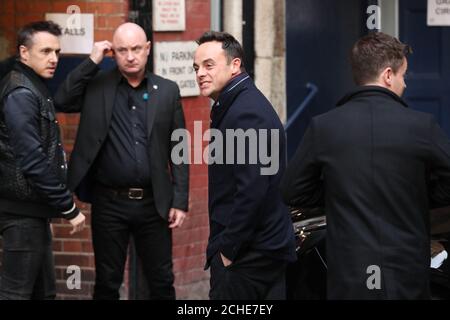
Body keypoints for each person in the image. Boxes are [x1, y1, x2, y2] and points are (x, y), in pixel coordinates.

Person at [280, 32, 450, 299]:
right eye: (403, 75)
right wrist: (418, 195)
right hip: (406, 272)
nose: (404, 84)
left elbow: (291, 191)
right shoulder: (422, 126)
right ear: (387, 75)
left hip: (349, 273)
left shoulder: (324, 127)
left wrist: (341, 192)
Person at [54, 22, 188, 300]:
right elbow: (63, 99)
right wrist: (92, 61)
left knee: (162, 281)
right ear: (113, 52)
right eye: (122, 50)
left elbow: (180, 148)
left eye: (136, 48)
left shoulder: (168, 90)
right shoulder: (97, 87)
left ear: (148, 49)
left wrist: (179, 199)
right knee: (107, 282)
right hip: (109, 204)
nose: (130, 56)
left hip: (154, 203)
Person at [193, 31, 296, 300]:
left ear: (235, 65)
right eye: (196, 67)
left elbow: (252, 191)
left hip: (249, 257)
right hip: (255, 251)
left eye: (209, 65)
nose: (200, 73)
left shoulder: (246, 111)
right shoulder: (237, 104)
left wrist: (228, 250)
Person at [0, 21, 86, 300]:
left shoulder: (33, 86)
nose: (53, 59)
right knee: (17, 293)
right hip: (21, 214)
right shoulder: (21, 93)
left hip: (33, 212)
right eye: (45, 51)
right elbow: (32, 160)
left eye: (57, 52)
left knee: (44, 292)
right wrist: (68, 207)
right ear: (24, 53)